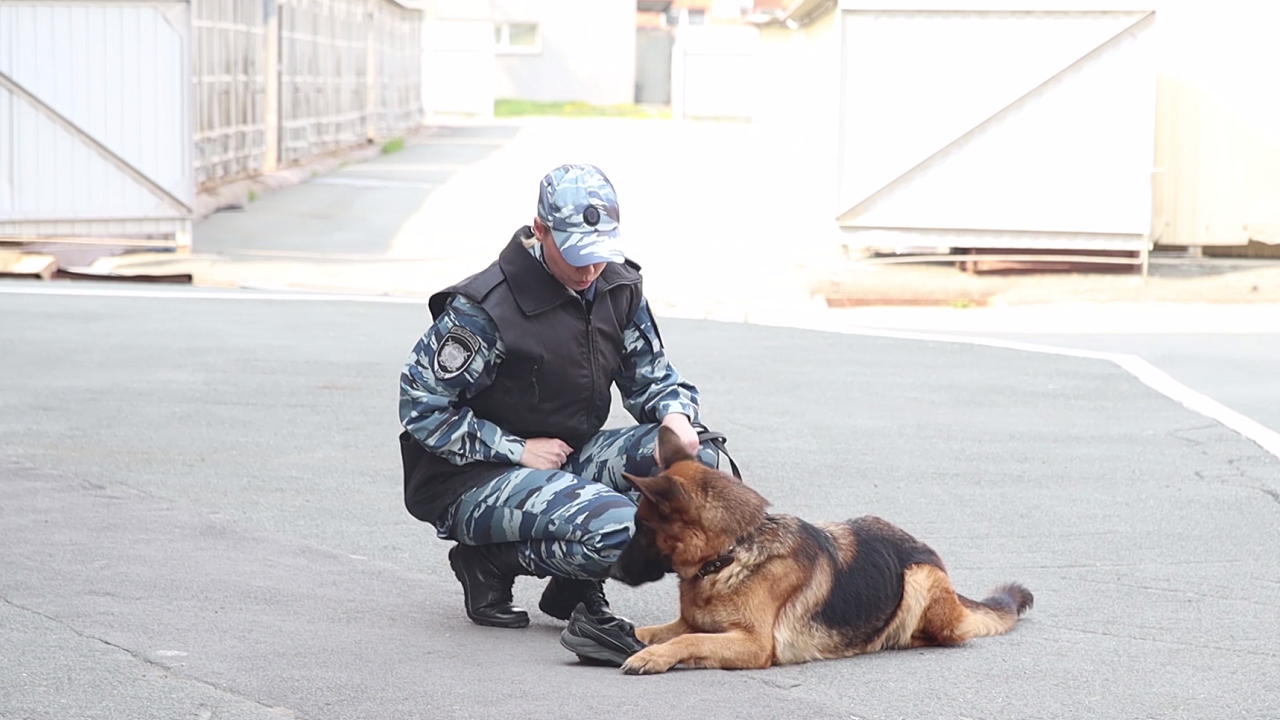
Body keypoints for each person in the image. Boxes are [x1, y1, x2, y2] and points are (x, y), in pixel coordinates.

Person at [397, 163, 728, 629]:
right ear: (540, 231)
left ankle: (574, 583)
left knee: (703, 472)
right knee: (626, 532)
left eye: (600, 254)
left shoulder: (615, 286)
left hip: (566, 456)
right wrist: (517, 449)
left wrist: (676, 416)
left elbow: (652, 377)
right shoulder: (485, 310)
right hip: (472, 477)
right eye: (576, 255)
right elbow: (421, 407)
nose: (590, 269)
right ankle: (490, 562)